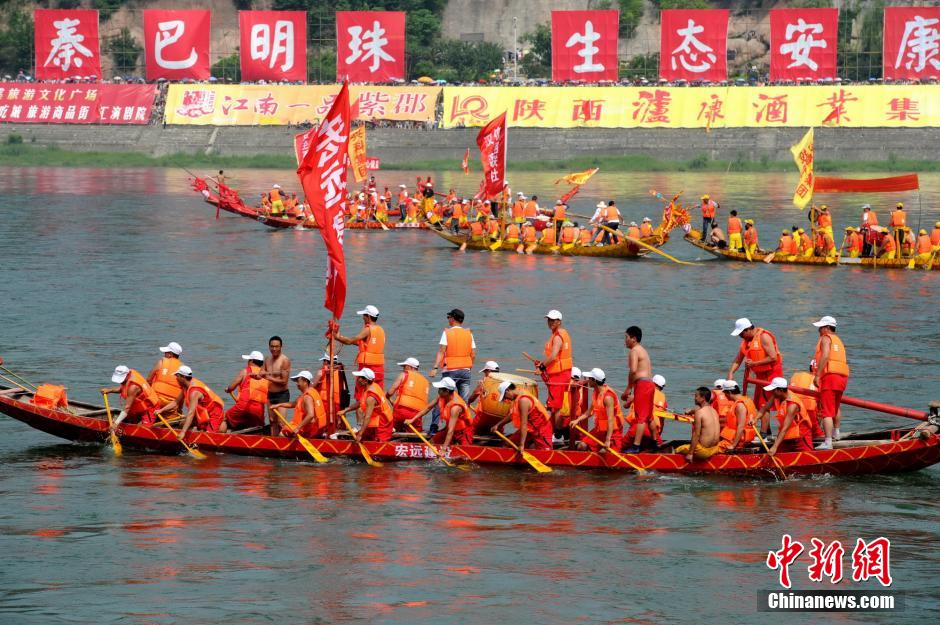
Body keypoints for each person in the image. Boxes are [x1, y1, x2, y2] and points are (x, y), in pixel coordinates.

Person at [812, 316, 849, 450]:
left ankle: (828, 442)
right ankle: (836, 433)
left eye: (821, 327)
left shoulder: (825, 338)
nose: (819, 330)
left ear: (827, 328)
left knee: (827, 411)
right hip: (842, 377)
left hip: (830, 377)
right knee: (835, 405)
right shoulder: (838, 340)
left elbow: (826, 355)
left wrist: (817, 375)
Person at [531, 309, 573, 431]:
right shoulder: (561, 333)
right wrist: (543, 365)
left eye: (553, 320)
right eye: (549, 320)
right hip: (561, 373)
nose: (550, 322)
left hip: (559, 375)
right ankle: (555, 432)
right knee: (556, 405)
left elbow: (554, 355)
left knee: (554, 406)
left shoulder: (558, 337)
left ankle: (555, 433)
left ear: (559, 321)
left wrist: (542, 367)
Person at [728, 318, 783, 409]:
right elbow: (738, 360)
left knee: (766, 404)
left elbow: (773, 357)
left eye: (741, 334)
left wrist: (754, 364)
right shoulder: (746, 342)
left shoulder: (764, 336)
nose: (740, 336)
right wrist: (731, 373)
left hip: (772, 374)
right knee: (758, 404)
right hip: (760, 375)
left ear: (748, 329)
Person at [156, 366, 225, 437]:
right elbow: (176, 402)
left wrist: (183, 432)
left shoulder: (194, 392)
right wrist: (161, 410)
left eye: (177, 376)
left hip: (214, 413)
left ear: (183, 377)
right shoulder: (185, 386)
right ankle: (198, 429)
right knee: (182, 424)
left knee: (208, 435)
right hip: (202, 413)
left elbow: (191, 413)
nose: (176, 378)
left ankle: (222, 426)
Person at [408, 377, 474, 447]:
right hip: (449, 429)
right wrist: (413, 419)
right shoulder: (441, 396)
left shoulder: (455, 407)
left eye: (440, 389)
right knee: (432, 442)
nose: (438, 391)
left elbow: (450, 431)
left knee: (465, 455)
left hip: (463, 432)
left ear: (447, 391)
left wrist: (443, 449)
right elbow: (428, 408)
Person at [569, 368, 623, 453]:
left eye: (589, 379)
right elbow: (588, 412)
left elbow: (610, 420)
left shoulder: (608, 397)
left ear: (594, 380)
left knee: (603, 453)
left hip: (612, 433)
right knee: (581, 446)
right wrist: (577, 420)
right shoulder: (596, 392)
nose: (587, 381)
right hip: (599, 430)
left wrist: (608, 440)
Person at [623, 326, 658, 453]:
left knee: (641, 417)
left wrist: (628, 389)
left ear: (634, 338)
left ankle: (636, 446)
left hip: (642, 385)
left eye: (626, 337)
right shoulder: (643, 350)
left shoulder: (634, 351)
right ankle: (655, 442)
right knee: (649, 416)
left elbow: (633, 371)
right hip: (649, 384)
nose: (625, 340)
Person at [491, 380, 554, 451]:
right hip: (530, 429)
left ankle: (533, 446)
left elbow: (524, 424)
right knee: (507, 444)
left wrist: (521, 445)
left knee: (544, 453)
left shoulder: (523, 400)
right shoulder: (518, 394)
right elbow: (512, 414)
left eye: (505, 396)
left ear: (508, 391)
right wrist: (498, 425)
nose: (506, 399)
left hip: (541, 429)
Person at [334, 305, 385, 391]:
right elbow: (360, 343)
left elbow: (350, 341)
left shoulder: (367, 330)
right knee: (377, 392)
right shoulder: (381, 330)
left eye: (364, 315)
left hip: (367, 368)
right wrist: (341, 338)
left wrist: (338, 338)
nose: (362, 318)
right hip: (379, 368)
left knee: (361, 393)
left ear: (368, 317)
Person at [756, 377, 813, 455]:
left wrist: (775, 446)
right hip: (786, 435)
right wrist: (755, 419)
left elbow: (785, 428)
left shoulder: (792, 405)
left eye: (773, 390)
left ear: (781, 390)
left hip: (801, 436)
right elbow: (765, 408)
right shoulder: (776, 396)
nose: (772, 392)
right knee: (778, 456)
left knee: (807, 458)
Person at [430, 308, 475, 403]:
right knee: (463, 403)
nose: (448, 319)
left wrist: (435, 368)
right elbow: (473, 355)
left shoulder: (447, 333)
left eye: (448, 317)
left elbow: (441, 351)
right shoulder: (468, 334)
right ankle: (462, 417)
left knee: (442, 400)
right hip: (465, 371)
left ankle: (438, 418)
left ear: (453, 319)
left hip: (450, 371)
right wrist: (468, 369)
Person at [338, 368, 393, 442]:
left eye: (359, 378)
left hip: (382, 425)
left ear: (366, 381)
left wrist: (360, 434)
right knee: (363, 437)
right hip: (376, 421)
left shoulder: (371, 397)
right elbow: (360, 402)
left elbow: (367, 417)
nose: (357, 380)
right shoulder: (371, 386)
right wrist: (345, 410)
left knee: (374, 443)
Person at [222, 351, 269, 432]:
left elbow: (232, 387)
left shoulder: (245, 371)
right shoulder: (266, 375)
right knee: (257, 428)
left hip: (244, 406)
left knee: (225, 418)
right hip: (259, 409)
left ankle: (219, 439)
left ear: (251, 361)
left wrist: (228, 389)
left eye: (248, 360)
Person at [272, 371, 328, 439]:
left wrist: (298, 428)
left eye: (298, 381)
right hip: (315, 428)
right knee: (286, 428)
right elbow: (294, 404)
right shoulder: (311, 391)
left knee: (282, 434)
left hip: (309, 430)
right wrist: (278, 405)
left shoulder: (307, 397)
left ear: (305, 381)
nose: (297, 384)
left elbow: (310, 415)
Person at [255, 336, 291, 436]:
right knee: (272, 421)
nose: (274, 349)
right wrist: (256, 376)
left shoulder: (285, 360)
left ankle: (283, 441)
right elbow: (261, 374)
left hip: (282, 395)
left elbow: (284, 381)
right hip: (270, 395)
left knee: (281, 422)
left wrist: (268, 377)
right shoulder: (267, 359)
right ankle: (274, 441)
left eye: (276, 346)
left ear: (281, 347)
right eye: (272, 346)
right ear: (269, 347)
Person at [676, 387, 722, 462]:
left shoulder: (699, 413)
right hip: (714, 449)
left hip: (703, 452)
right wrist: (691, 411)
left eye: (696, 396)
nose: (694, 398)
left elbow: (696, 434)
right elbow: (698, 410)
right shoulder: (714, 411)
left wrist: (690, 454)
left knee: (678, 449)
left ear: (703, 398)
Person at [387, 357, 430, 432]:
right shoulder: (426, 381)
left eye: (404, 366)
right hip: (418, 415)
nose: (403, 369)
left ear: (410, 367)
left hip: (401, 411)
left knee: (393, 429)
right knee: (416, 433)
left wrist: (387, 397)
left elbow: (390, 392)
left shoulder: (404, 374)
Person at [624, 373, 666, 450]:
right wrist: (657, 436)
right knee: (659, 446)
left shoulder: (642, 391)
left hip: (637, 428)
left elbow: (625, 406)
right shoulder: (663, 399)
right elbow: (662, 421)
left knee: (621, 446)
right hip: (653, 431)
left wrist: (628, 397)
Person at [718, 381, 756, 451]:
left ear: (729, 392)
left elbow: (741, 426)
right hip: (740, 440)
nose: (725, 396)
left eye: (725, 393)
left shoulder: (739, 405)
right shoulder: (747, 400)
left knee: (711, 449)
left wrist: (733, 445)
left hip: (736, 442)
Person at [147, 341, 185, 407]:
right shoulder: (183, 368)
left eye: (165, 352)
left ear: (170, 354)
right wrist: (179, 408)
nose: (164, 354)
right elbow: (184, 390)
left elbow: (148, 380)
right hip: (172, 404)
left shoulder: (161, 362)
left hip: (157, 400)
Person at [315, 353, 348, 423]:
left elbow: (313, 387)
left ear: (326, 362)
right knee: (338, 420)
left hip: (325, 401)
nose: (323, 363)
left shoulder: (321, 372)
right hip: (339, 401)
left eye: (323, 361)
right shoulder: (341, 370)